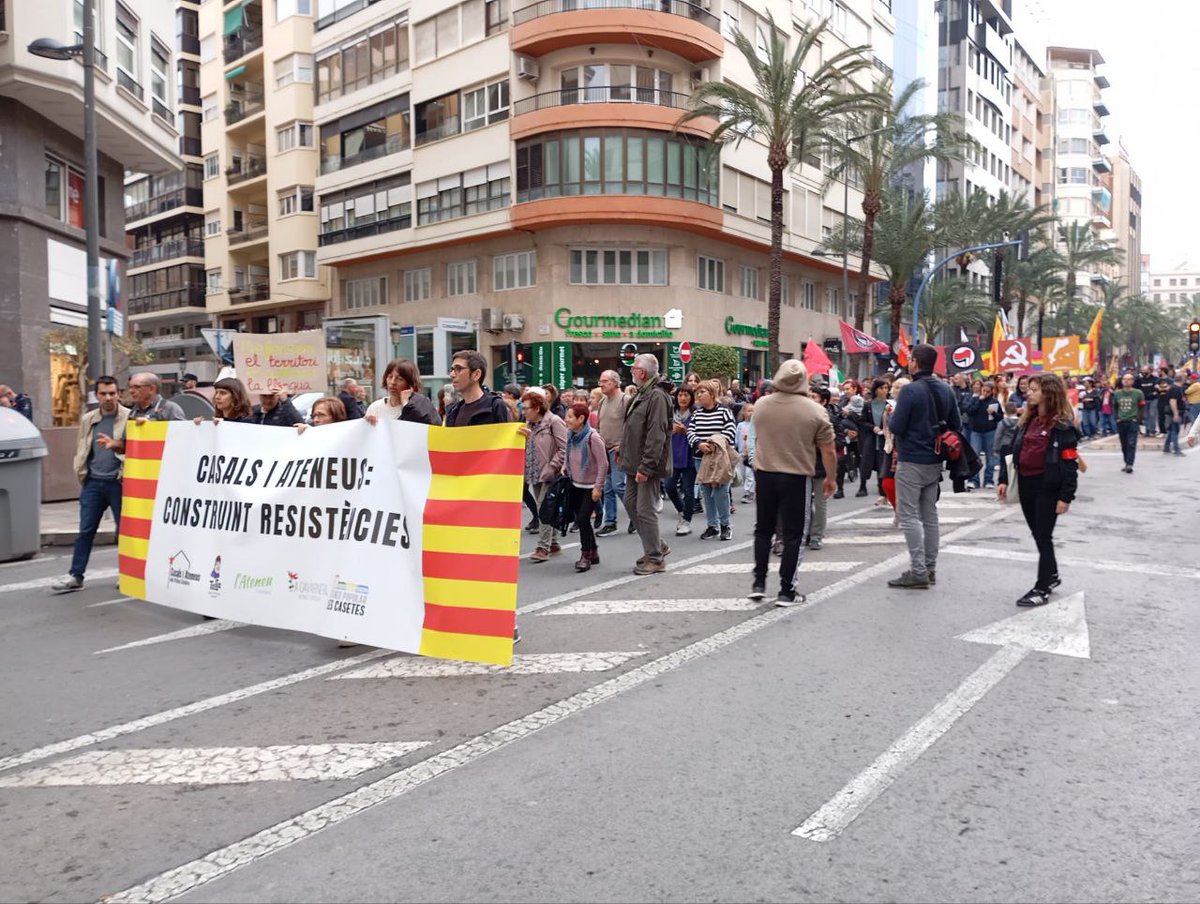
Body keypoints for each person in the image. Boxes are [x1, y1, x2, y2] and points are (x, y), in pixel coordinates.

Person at [444, 350, 519, 642]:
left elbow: (504, 448)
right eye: (451, 368)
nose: (452, 374)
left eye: (458, 369)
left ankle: (504, 621)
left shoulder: (495, 406)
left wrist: (516, 439)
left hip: (488, 497)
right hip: (459, 496)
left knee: (492, 561)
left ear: (476, 374)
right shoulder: (451, 411)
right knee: (464, 562)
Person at [748, 360, 836, 606]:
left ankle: (758, 582)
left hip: (764, 473)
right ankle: (787, 590)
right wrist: (831, 477)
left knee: (763, 529)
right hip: (797, 476)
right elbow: (828, 450)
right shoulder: (815, 410)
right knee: (794, 534)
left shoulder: (761, 404)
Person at [997, 374, 1080, 608]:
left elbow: (1069, 463)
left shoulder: (1062, 425)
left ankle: (1042, 587)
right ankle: (1052, 575)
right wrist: (1004, 478)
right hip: (1025, 483)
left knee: (1043, 537)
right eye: (1029, 389)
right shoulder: (1027, 420)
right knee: (1038, 534)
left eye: (1034, 389)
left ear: (1049, 392)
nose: (1028, 393)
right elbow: (1012, 450)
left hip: (1048, 486)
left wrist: (1066, 496)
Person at [885, 343, 962, 590]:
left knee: (908, 516)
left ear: (915, 362)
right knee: (930, 516)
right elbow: (956, 424)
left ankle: (917, 570)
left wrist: (894, 414)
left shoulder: (910, 391)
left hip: (911, 459)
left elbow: (896, 427)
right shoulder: (946, 389)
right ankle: (930, 568)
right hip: (935, 460)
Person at [52, 377, 128, 592]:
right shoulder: (88, 419)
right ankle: (76, 575)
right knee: (85, 531)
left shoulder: (129, 417)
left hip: (118, 482)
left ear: (118, 393)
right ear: (97, 395)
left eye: (112, 393)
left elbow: (135, 447)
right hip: (93, 482)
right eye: (103, 393)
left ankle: (126, 575)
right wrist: (82, 473)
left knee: (123, 532)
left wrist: (117, 445)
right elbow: (83, 447)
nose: (108, 398)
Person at [619, 353, 673, 575]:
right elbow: (632, 429)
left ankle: (655, 558)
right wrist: (623, 452)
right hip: (634, 463)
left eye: (633, 368)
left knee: (645, 510)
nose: (631, 371)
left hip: (646, 466)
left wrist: (646, 467)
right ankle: (656, 544)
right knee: (630, 502)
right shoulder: (643, 394)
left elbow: (656, 435)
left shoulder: (657, 396)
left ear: (642, 372)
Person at [688, 380, 738, 541]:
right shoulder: (696, 413)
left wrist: (713, 443)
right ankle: (712, 525)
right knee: (707, 492)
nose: (699, 395)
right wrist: (699, 444)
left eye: (702, 392)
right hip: (700, 458)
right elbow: (690, 432)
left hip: (719, 458)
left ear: (712, 394)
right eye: (698, 393)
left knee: (721, 491)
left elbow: (730, 431)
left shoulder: (724, 411)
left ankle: (725, 525)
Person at [521, 390, 567, 563]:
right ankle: (553, 543)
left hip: (549, 473)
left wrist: (552, 466)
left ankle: (543, 547)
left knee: (543, 509)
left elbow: (564, 448)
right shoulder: (529, 424)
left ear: (537, 407)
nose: (524, 411)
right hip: (535, 471)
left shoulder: (553, 421)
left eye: (526, 408)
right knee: (548, 508)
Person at [562, 401, 607, 572]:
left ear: (581, 418)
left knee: (582, 519)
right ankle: (594, 551)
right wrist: (565, 466)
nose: (566, 420)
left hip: (590, 486)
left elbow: (603, 464)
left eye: (570, 417)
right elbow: (567, 452)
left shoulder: (592, 437)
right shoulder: (570, 434)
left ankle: (585, 555)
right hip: (575, 482)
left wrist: (598, 487)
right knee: (581, 519)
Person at [594, 370, 629, 537]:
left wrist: (623, 445)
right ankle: (610, 522)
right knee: (607, 488)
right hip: (604, 450)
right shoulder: (602, 402)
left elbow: (632, 427)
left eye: (605, 381)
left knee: (618, 485)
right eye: (600, 381)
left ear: (615, 383)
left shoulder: (625, 400)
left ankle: (636, 515)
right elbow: (599, 425)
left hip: (619, 450)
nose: (601, 384)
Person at [364, 359, 439, 425]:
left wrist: (406, 404)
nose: (392, 382)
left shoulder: (419, 407)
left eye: (399, 379)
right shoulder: (375, 407)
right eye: (390, 377)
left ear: (410, 383)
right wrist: (367, 423)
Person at [665, 387, 698, 536]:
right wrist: (672, 430)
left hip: (689, 455)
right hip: (673, 455)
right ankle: (682, 510)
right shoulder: (670, 413)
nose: (683, 398)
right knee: (669, 486)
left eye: (686, 395)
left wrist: (686, 431)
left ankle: (686, 521)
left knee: (688, 489)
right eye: (680, 395)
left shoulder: (696, 413)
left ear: (691, 398)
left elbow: (699, 432)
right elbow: (663, 430)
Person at [963, 380, 1003, 488]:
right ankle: (974, 480)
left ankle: (988, 480)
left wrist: (993, 413)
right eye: (984, 391)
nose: (985, 393)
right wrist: (978, 401)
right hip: (976, 431)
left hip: (990, 431)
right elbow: (969, 411)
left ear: (991, 392)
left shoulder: (994, 402)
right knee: (975, 456)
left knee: (990, 457)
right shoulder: (975, 399)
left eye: (988, 392)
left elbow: (1000, 417)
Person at [1113, 372, 1145, 474]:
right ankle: (1126, 461)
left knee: (1131, 443)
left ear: (1132, 381)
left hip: (1132, 421)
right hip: (1121, 421)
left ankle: (1130, 464)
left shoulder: (1138, 393)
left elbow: (1142, 406)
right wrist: (1117, 418)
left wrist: (1137, 418)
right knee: (1124, 444)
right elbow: (1114, 406)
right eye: (1124, 379)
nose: (1126, 381)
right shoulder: (1117, 393)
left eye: (1129, 379)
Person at [1156, 376, 1185, 456]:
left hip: (1174, 412)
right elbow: (1173, 401)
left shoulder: (1174, 388)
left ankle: (1166, 447)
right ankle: (1176, 449)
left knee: (1171, 430)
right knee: (1175, 431)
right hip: (1174, 413)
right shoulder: (1175, 389)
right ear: (1182, 380)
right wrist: (1175, 413)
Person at [736, 402, 756, 503]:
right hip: (742, 453)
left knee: (749, 474)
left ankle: (749, 492)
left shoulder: (755, 425)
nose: (751, 413)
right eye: (749, 411)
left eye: (753, 411)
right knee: (743, 474)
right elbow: (737, 438)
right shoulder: (740, 425)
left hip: (751, 453)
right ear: (744, 413)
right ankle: (748, 489)